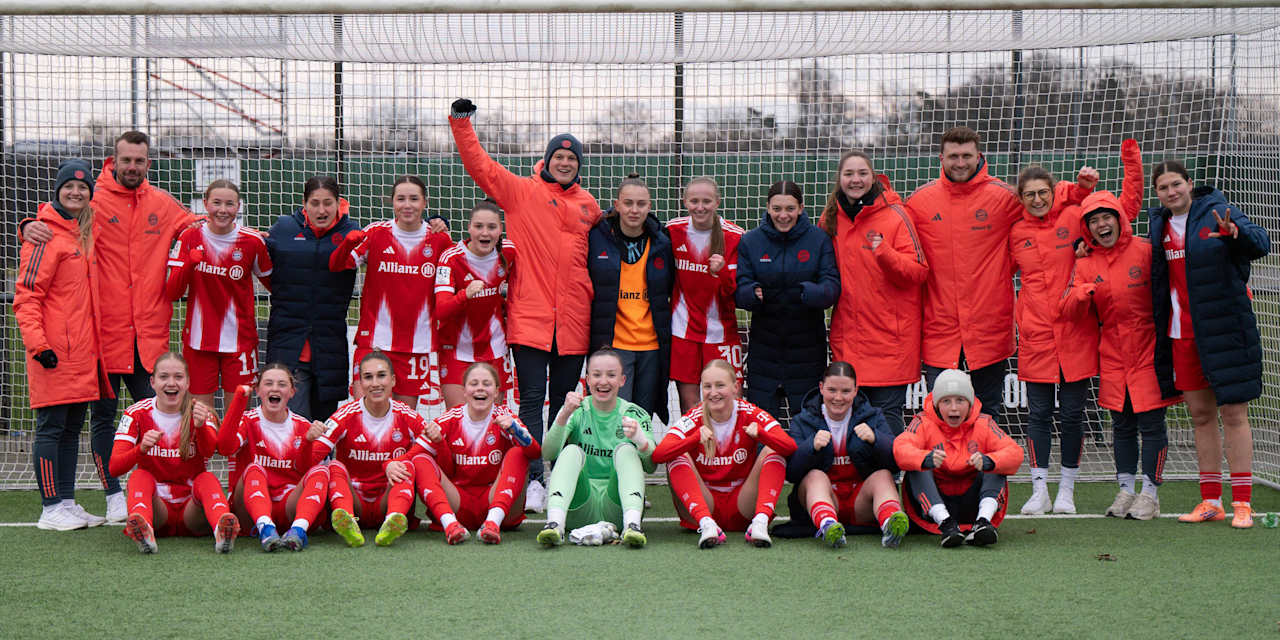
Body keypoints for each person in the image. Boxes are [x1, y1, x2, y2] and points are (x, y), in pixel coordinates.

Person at [21, 131, 196, 522]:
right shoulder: (92, 197)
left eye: (140, 161)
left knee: (158, 413)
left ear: (149, 163)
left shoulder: (162, 204)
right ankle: (113, 494)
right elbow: (55, 220)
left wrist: (235, 227)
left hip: (148, 335)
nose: (132, 167)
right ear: (113, 161)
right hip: (101, 337)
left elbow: (195, 225)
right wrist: (27, 223)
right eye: (126, 160)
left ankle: (169, 487)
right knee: (102, 419)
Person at [450, 98, 602, 510]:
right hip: (531, 317)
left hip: (574, 321)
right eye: (560, 156)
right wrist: (462, 123)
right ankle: (535, 479)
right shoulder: (521, 192)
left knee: (571, 402)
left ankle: (569, 478)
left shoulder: (590, 207)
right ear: (547, 159)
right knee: (532, 400)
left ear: (579, 164)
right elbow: (480, 165)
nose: (566, 162)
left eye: (572, 158)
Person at [1148, 161, 1270, 528]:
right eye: (1163, 188)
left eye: (1176, 184)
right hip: (1181, 334)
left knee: (1233, 415)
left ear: (1190, 184)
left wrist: (1236, 233)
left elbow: (1260, 243)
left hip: (1225, 331)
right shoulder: (1159, 226)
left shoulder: (1219, 211)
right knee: (1201, 417)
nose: (1171, 192)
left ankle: (1243, 503)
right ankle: (1210, 500)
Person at [1060, 183, 1180, 520]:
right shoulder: (1084, 262)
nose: (1101, 225)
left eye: (1106, 217)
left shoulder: (1145, 250)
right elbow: (1067, 309)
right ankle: (1127, 489)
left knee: (1152, 424)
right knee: (1122, 425)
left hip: (1150, 348)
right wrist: (1082, 293)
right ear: (1088, 228)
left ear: (1119, 219)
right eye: (1094, 220)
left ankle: (1150, 494)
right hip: (1111, 352)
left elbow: (1175, 284)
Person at [15, 159, 113, 531]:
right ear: (57, 191)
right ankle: (49, 506)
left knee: (73, 428)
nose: (75, 193)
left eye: (83, 188)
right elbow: (26, 297)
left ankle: (67, 502)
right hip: (54, 352)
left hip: (82, 354)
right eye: (69, 187)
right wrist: (39, 346)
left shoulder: (81, 232)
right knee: (50, 428)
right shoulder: (44, 237)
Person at [1009, 155, 1107, 515]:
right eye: (1029, 195)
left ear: (1053, 191)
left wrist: (1082, 189)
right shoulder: (1015, 232)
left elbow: (1103, 237)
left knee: (1071, 414)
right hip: (1036, 333)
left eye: (1043, 192)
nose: (1037, 200)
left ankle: (1066, 490)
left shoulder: (1072, 215)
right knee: (1037, 415)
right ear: (1020, 199)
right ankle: (1039, 491)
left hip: (1075, 330)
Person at [907, 126, 1023, 425]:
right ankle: (941, 472)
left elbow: (1047, 214)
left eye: (967, 156)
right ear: (941, 158)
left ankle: (988, 472)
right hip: (939, 328)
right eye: (954, 156)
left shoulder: (1005, 198)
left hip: (989, 328)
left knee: (987, 415)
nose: (960, 163)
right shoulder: (920, 202)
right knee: (938, 414)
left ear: (979, 156)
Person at [298, 350, 466, 547]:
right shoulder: (344, 416)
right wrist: (307, 441)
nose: (375, 383)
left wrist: (438, 442)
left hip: (389, 497)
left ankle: (393, 521)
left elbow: (439, 467)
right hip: (355, 500)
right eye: (368, 377)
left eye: (381, 375)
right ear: (359, 383)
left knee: (409, 466)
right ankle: (348, 522)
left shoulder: (408, 416)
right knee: (333, 466)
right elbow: (307, 463)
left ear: (393, 380)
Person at [819, 151, 927, 433]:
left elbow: (918, 273)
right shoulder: (830, 219)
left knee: (886, 417)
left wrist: (886, 254)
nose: (856, 180)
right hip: (849, 339)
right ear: (839, 179)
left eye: (862, 173)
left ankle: (890, 476)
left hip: (890, 341)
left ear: (873, 176)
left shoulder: (896, 216)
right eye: (849, 174)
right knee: (851, 418)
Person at [330, 175, 453, 409]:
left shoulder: (440, 240)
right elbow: (338, 265)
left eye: (414, 199)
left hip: (415, 347)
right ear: (392, 202)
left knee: (403, 420)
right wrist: (346, 243)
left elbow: (457, 278)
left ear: (425, 203)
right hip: (374, 342)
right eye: (401, 199)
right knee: (364, 415)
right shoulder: (376, 232)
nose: (407, 205)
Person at [386, 363, 540, 544]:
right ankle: (451, 525)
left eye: (486, 384)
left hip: (498, 505)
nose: (480, 388)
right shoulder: (449, 419)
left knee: (518, 453)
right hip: (459, 505)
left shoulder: (505, 417)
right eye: (474, 383)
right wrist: (389, 464)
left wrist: (515, 431)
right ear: (465, 391)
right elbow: (413, 454)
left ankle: (492, 523)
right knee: (421, 460)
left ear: (497, 391)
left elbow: (535, 453)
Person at [652, 359, 798, 548]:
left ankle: (760, 523)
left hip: (743, 505)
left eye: (720, 385)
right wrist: (693, 439)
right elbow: (659, 455)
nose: (713, 393)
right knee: (676, 454)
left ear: (735, 387)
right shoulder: (694, 417)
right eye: (707, 387)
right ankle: (707, 525)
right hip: (705, 505)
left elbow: (789, 447)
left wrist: (762, 435)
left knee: (773, 450)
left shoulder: (750, 412)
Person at [108, 352, 240, 554]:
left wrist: (201, 426)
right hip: (158, 509)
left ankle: (222, 528)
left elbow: (209, 453)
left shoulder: (201, 412)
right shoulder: (136, 413)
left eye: (178, 377)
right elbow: (115, 467)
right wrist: (141, 449)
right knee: (139, 476)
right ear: (152, 382)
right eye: (164, 377)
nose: (171, 383)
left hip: (192, 509)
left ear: (188, 382)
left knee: (206, 478)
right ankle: (143, 527)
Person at [735, 180, 839, 424]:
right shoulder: (751, 241)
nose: (783, 215)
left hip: (807, 350)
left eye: (790, 209)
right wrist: (751, 293)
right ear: (768, 208)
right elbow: (738, 288)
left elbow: (832, 286)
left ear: (801, 208)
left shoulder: (818, 240)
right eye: (777, 208)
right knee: (762, 426)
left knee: (808, 424)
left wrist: (808, 293)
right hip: (764, 349)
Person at [165, 180, 272, 410]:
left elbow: (276, 285)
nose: (222, 210)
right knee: (202, 421)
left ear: (238, 207)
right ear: (205, 204)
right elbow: (173, 292)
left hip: (240, 342)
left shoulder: (252, 241)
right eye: (216, 203)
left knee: (237, 419)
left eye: (229, 204)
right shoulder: (189, 237)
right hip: (198, 342)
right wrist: (188, 266)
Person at [537, 348, 656, 548]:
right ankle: (555, 523)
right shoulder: (577, 410)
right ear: (587, 379)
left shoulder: (635, 413)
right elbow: (548, 453)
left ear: (622, 380)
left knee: (627, 450)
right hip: (580, 506)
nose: (603, 381)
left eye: (611, 375)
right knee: (570, 451)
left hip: (617, 507)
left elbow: (652, 467)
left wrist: (641, 441)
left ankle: (632, 525)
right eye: (597, 375)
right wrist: (563, 414)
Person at [264, 176, 360, 422]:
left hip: (330, 348)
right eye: (315, 203)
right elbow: (253, 254)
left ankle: (324, 463)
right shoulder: (283, 229)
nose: (321, 210)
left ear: (339, 204)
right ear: (304, 204)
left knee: (323, 429)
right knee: (296, 426)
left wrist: (435, 222)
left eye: (328, 203)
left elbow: (392, 235)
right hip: (289, 345)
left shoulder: (352, 232)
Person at [893, 369, 1024, 547]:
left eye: (960, 400)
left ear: (970, 404)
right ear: (937, 404)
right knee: (917, 468)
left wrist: (988, 461)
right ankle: (946, 524)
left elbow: (1014, 452)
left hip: (971, 503)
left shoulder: (984, 422)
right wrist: (926, 458)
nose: (954, 408)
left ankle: (983, 522)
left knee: (996, 465)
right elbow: (900, 448)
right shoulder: (923, 422)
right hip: (934, 503)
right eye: (946, 401)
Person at [785, 362, 907, 549]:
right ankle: (828, 525)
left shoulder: (873, 415)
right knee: (814, 476)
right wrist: (810, 446)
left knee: (883, 475)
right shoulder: (802, 420)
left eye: (846, 391)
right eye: (832, 390)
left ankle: (891, 524)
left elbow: (895, 464)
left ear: (856, 390)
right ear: (821, 388)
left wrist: (876, 439)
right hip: (823, 497)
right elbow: (791, 473)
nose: (838, 398)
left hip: (860, 501)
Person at [586, 173, 675, 422]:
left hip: (651, 346)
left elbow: (668, 288)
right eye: (628, 203)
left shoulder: (662, 242)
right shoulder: (596, 238)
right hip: (614, 346)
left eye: (641, 204)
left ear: (649, 206)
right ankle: (611, 461)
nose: (634, 210)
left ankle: (638, 461)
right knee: (613, 418)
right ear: (616, 205)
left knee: (641, 419)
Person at [216, 365, 330, 552]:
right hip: (248, 509)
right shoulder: (247, 420)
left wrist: (308, 441)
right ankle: (265, 528)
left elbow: (303, 471)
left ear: (292, 392)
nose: (275, 388)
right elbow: (225, 448)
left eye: (282, 384)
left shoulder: (303, 426)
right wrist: (238, 400)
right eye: (268, 383)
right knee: (254, 469)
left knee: (321, 471)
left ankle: (298, 530)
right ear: (259, 390)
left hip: (288, 506)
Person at [666, 177, 746, 415]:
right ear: (685, 202)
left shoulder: (737, 236)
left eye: (706, 201)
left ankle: (730, 452)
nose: (700, 207)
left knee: (730, 404)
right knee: (690, 408)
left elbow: (739, 292)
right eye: (694, 201)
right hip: (683, 332)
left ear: (717, 202)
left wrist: (721, 272)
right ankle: (694, 451)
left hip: (722, 333)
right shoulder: (672, 231)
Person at [435, 201, 517, 409]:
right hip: (456, 350)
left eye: (491, 227)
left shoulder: (508, 253)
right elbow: (441, 311)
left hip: (495, 349)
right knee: (457, 422)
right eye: (479, 226)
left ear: (500, 230)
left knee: (493, 424)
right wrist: (465, 294)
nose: (485, 233)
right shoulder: (451, 258)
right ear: (469, 228)